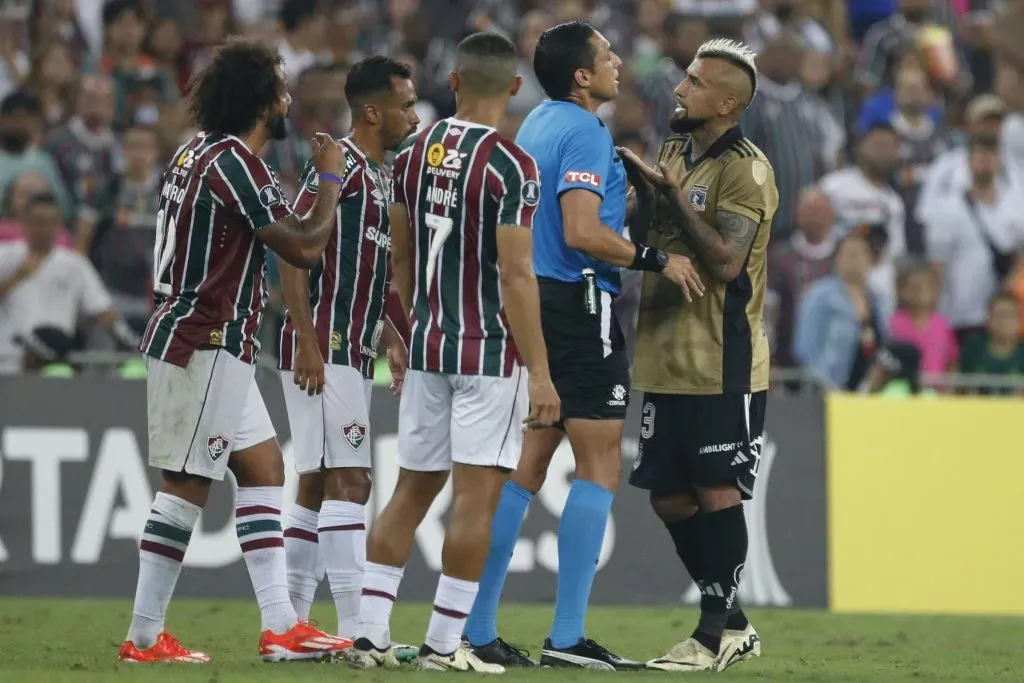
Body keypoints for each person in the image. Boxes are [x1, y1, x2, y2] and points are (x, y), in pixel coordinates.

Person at [463, 20, 701, 671]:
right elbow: (580, 230)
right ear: (581, 75)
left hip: (536, 304)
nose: (618, 62)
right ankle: (567, 637)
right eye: (606, 55)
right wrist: (656, 258)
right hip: (579, 303)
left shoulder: (538, 121)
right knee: (598, 465)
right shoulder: (584, 129)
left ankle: (477, 626)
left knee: (528, 462)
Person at [118, 38, 350, 664]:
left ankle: (280, 626)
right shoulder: (233, 164)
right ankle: (143, 637)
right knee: (187, 483)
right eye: (280, 89)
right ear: (260, 99)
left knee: (264, 468)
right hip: (205, 341)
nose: (287, 100)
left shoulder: (198, 152)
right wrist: (330, 181)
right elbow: (302, 248)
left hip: (219, 344)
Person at [345, 31, 560, 673]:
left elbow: (401, 256)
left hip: (429, 345)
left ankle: (369, 636)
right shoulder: (512, 166)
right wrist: (542, 373)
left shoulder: (412, 152)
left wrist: (403, 335)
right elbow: (518, 276)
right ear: (516, 88)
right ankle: (444, 647)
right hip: (489, 355)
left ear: (456, 81)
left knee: (409, 493)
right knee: (476, 501)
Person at [616, 37, 778, 672]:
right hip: (662, 354)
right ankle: (732, 621)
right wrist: (646, 195)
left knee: (715, 490)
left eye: (695, 82)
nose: (680, 90)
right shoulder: (677, 147)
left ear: (728, 102)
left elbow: (726, 261)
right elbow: (646, 235)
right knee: (668, 496)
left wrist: (674, 196)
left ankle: (713, 632)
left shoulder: (748, 169)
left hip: (722, 360)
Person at [277, 56, 419, 643]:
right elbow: (293, 252)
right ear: (371, 111)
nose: (413, 114)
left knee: (315, 481)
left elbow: (373, 271)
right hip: (324, 347)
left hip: (352, 348)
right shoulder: (339, 166)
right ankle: (359, 629)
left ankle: (292, 623)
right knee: (352, 481)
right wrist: (307, 341)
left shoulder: (381, 176)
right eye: (406, 104)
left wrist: (393, 334)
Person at [794, 234, 885, 390]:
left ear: (871, 260)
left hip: (866, 391)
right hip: (826, 388)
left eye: (860, 253)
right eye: (849, 253)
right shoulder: (819, 295)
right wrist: (822, 384)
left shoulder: (877, 299)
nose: (855, 259)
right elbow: (805, 346)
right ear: (837, 259)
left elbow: (882, 343)